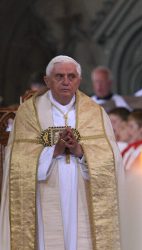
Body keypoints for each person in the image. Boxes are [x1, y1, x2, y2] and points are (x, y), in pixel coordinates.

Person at [0, 55, 123, 250]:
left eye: (71, 76)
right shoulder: (29, 113)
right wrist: (54, 151)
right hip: (43, 194)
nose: (66, 82)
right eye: (59, 76)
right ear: (47, 81)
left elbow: (111, 160)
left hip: (82, 193)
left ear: (79, 81)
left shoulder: (95, 113)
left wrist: (80, 151)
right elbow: (17, 162)